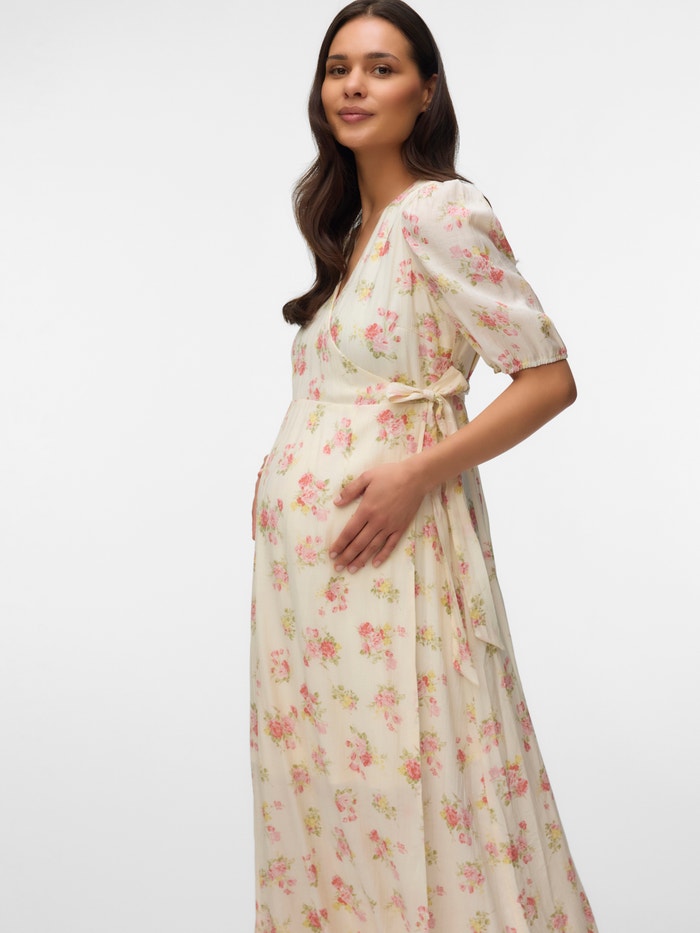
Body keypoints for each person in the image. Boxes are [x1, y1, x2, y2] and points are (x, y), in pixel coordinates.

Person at [250, 2, 597, 930]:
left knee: (417, 777)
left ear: (426, 91)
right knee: (331, 792)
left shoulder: (441, 212)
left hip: (397, 560)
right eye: (338, 68)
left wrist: (416, 472)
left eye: (381, 67)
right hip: (310, 586)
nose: (354, 86)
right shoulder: (348, 227)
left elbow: (549, 378)